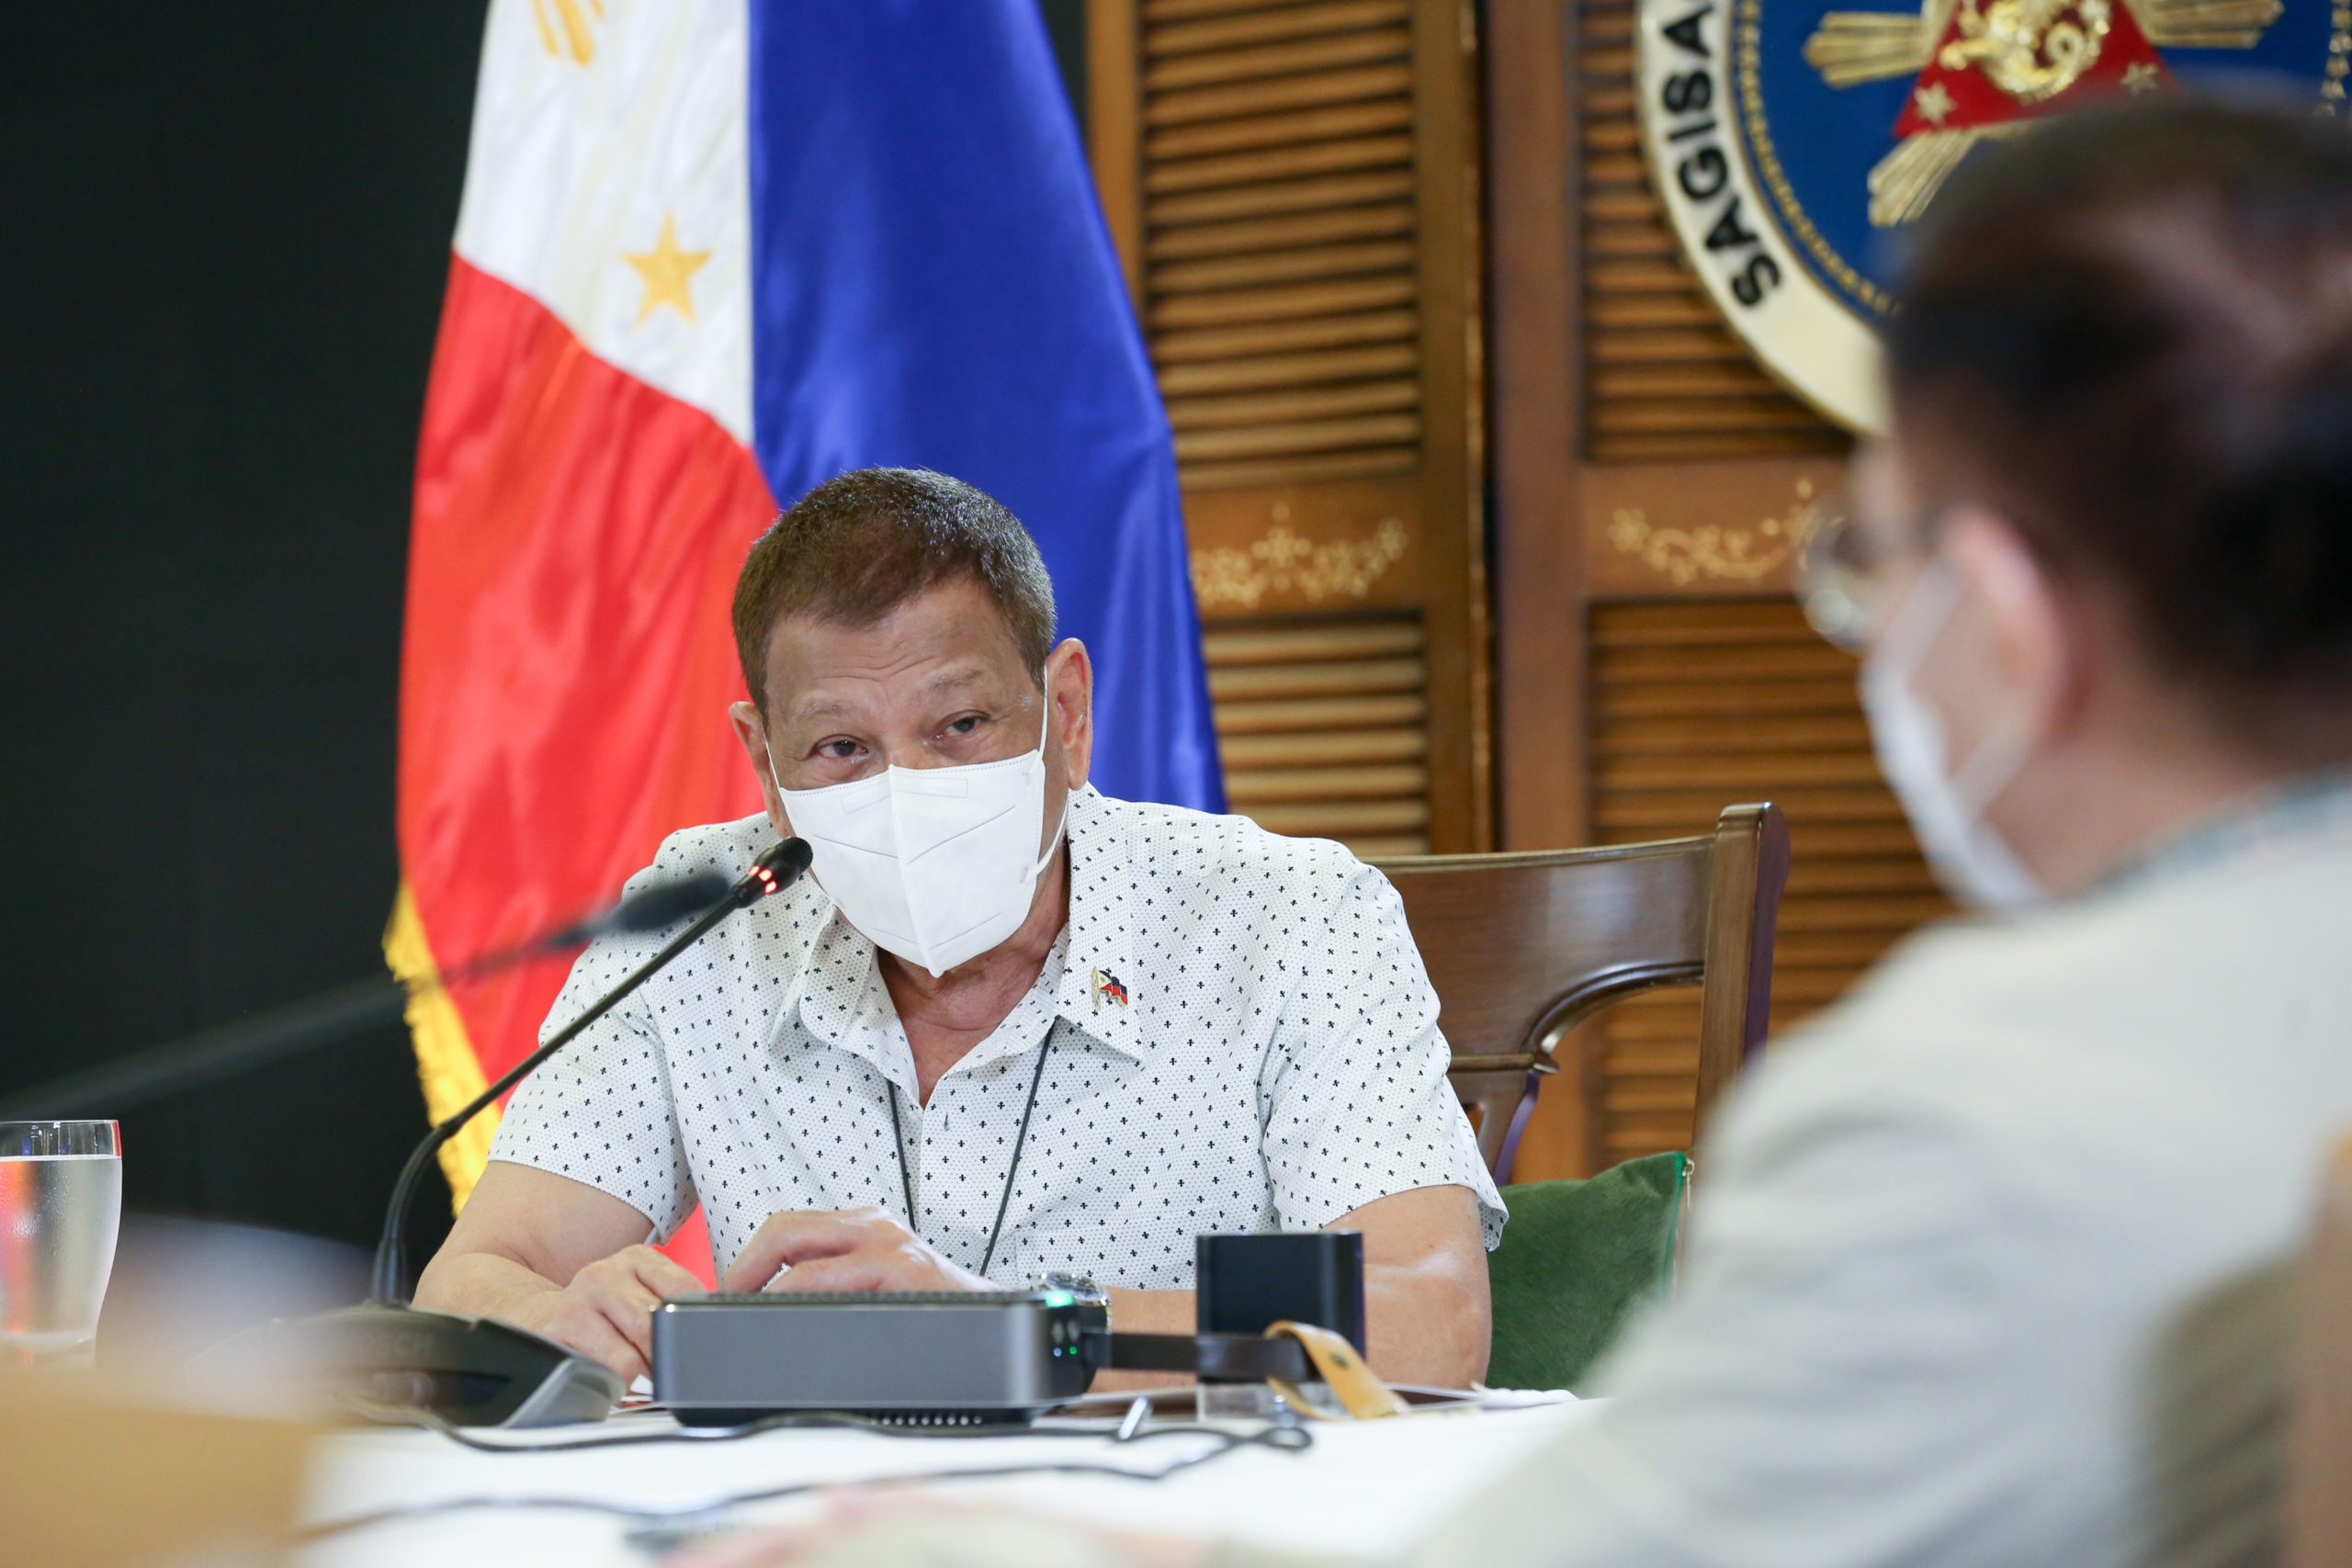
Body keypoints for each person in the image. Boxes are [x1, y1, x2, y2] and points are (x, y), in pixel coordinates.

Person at [680, 95, 2352, 1568]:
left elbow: (1442, 1351)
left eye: (1868, 561)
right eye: (842, 743)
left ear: (2005, 615)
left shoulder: (1964, 1113)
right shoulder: (695, 914)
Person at [413, 467, 1503, 1388]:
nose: (906, 786)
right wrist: (559, 1319)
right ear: (765, 760)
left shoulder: (1290, 916)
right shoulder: (702, 915)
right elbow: (478, 1274)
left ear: (1063, 712)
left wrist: (1003, 1328)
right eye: (841, 746)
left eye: (961, 724)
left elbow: (1429, 1322)